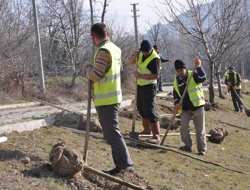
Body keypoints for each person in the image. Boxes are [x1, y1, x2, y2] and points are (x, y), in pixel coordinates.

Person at [82, 23, 134, 175]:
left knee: (113, 135)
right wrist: (95, 65)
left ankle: (126, 166)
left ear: (93, 36)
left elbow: (96, 75)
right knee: (111, 134)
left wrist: (86, 68)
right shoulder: (115, 49)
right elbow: (117, 69)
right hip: (113, 96)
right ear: (107, 33)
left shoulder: (104, 51)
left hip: (106, 100)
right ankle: (120, 166)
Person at [129, 40, 161, 144]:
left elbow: (156, 75)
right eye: (144, 52)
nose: (145, 53)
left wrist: (140, 76)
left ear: (150, 49)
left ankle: (156, 135)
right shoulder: (140, 52)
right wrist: (135, 55)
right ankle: (147, 130)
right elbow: (131, 62)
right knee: (141, 108)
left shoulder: (154, 58)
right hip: (140, 85)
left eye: (147, 52)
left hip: (149, 86)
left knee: (149, 110)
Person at [173, 58, 207, 156]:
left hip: (198, 106)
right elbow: (176, 95)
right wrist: (177, 103)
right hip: (185, 108)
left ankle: (201, 150)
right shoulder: (176, 82)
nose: (180, 72)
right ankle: (187, 146)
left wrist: (199, 66)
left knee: (200, 130)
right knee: (183, 127)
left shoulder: (193, 74)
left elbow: (203, 78)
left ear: (185, 69)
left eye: (181, 70)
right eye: (178, 71)